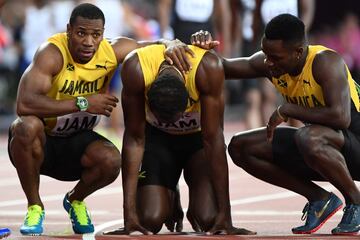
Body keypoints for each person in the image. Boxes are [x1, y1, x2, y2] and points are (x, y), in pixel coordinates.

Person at [7, 3, 193, 236]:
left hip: (77, 144)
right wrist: (83, 102)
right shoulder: (52, 53)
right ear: (69, 31)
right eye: (81, 33)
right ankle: (35, 206)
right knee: (25, 126)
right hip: (44, 143)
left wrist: (171, 42)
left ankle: (75, 200)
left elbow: (154, 45)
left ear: (103, 34)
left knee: (111, 159)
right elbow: (24, 104)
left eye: (96, 35)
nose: (88, 42)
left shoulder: (112, 50)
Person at [192, 13, 360, 235]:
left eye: (276, 57)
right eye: (266, 54)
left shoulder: (325, 62)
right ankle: (319, 199)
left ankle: (355, 202)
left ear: (298, 52)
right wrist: (201, 52)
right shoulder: (272, 63)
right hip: (324, 146)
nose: (269, 62)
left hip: (353, 142)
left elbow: (341, 118)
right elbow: (224, 68)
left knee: (308, 137)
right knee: (241, 147)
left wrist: (288, 109)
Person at [104, 43, 255, 235]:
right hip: (157, 141)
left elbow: (214, 141)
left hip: (198, 141)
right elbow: (134, 139)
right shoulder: (136, 68)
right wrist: (129, 216)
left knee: (208, 219)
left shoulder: (206, 68)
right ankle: (170, 191)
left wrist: (226, 215)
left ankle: (190, 203)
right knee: (149, 220)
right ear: (148, 100)